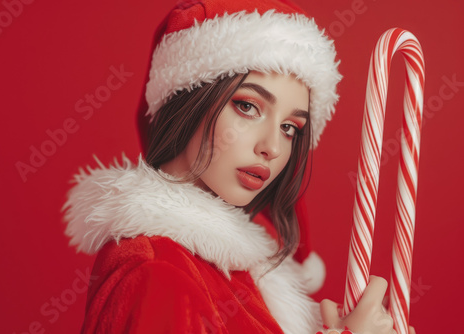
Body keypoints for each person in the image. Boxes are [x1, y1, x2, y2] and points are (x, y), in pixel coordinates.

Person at [63, 0, 415, 333]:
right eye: (248, 107)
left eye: (290, 127)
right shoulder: (155, 270)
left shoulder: (237, 275)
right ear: (189, 97)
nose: (273, 148)